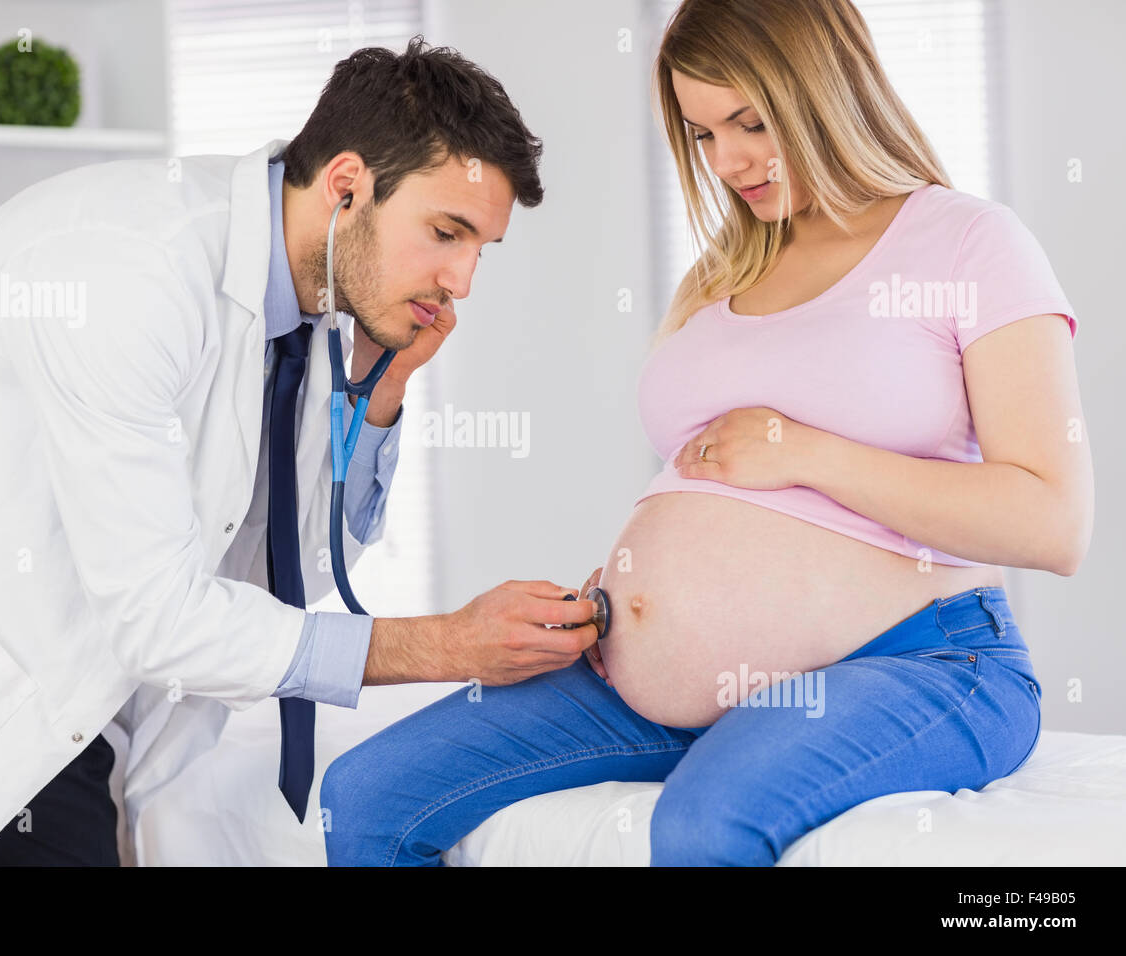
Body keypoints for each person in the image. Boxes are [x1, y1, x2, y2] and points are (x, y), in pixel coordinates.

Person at [319, 0, 1093, 866]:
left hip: (928, 659)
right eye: (701, 135)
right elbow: (707, 485)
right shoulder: (725, 270)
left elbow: (1053, 522)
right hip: (634, 676)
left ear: (826, 87)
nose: (729, 161)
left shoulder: (970, 243)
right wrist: (633, 591)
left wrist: (805, 452)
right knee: (366, 796)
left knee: (701, 825)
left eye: (750, 122)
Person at [0, 36, 602, 866]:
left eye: (479, 249)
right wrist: (446, 644)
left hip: (70, 703)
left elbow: (295, 560)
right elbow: (162, 615)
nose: (462, 282)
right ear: (347, 186)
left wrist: (379, 395)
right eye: (447, 233)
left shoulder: (309, 315)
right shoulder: (129, 267)